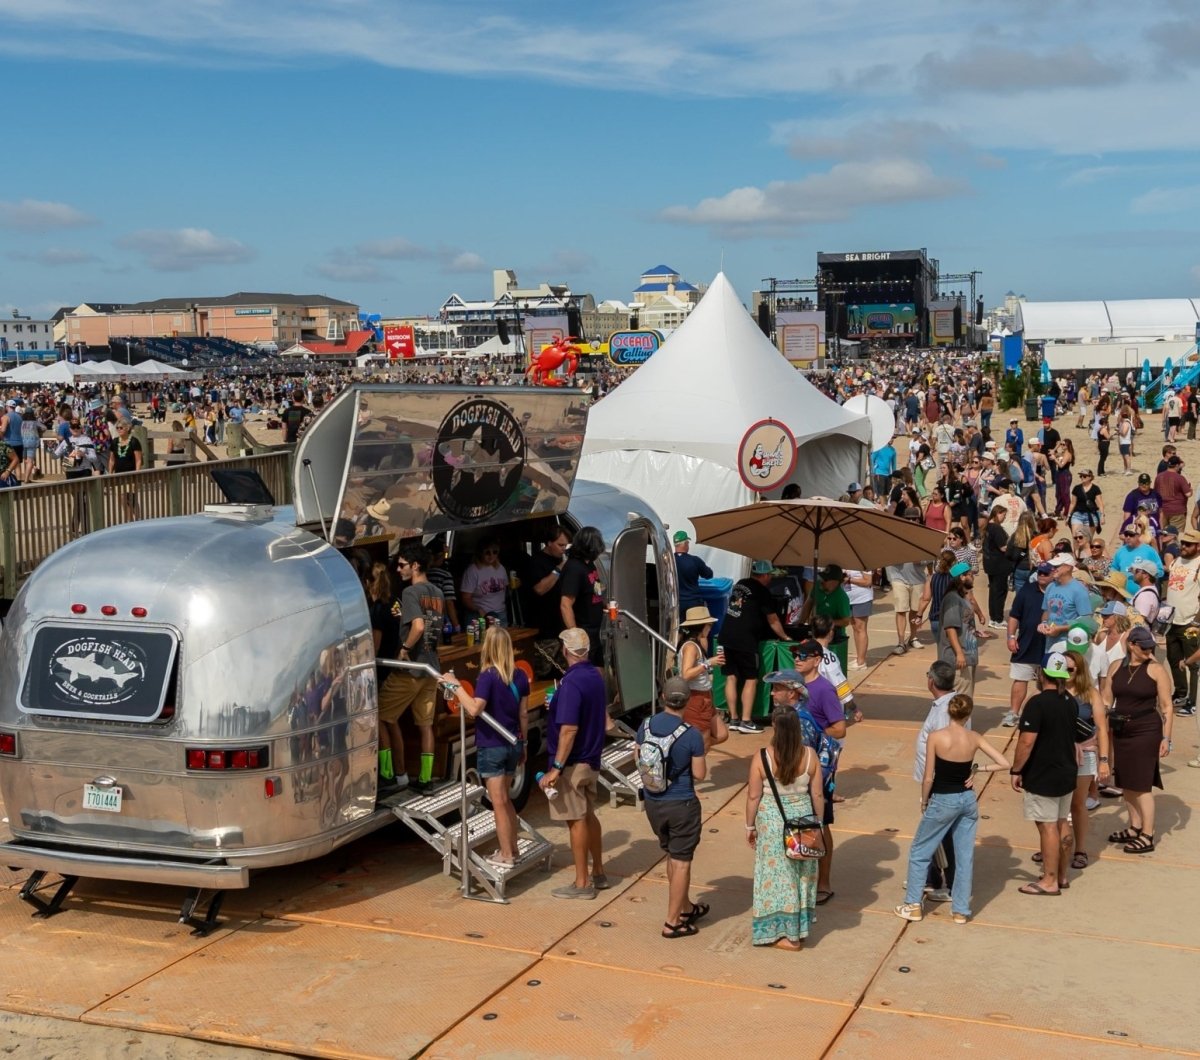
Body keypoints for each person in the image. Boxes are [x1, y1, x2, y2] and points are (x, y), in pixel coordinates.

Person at [896, 692, 1010, 923]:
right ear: (968, 714)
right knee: (964, 856)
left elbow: (929, 776)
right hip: (967, 800)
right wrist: (978, 769)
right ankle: (960, 910)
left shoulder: (937, 737)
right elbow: (1005, 762)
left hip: (942, 799)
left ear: (949, 711)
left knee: (920, 851)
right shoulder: (974, 737)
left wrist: (924, 800)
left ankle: (913, 904)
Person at [442, 626, 529, 867]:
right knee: (506, 800)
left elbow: (474, 709)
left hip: (492, 745)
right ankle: (513, 849)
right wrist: (524, 744)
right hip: (513, 742)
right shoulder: (520, 675)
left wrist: (454, 685)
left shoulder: (487, 677)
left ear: (488, 648)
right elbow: (523, 713)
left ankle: (507, 855)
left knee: (498, 801)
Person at [540, 627, 615, 899]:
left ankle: (582, 883)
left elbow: (569, 730)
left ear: (565, 651)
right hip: (592, 758)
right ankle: (598, 872)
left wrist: (556, 768)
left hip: (573, 762)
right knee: (588, 814)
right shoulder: (594, 675)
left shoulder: (571, 683)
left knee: (575, 820)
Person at [745, 708, 825, 949]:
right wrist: (818, 826)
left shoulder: (762, 757)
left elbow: (753, 796)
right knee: (801, 875)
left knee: (777, 876)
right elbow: (818, 793)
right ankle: (799, 929)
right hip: (802, 821)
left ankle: (785, 935)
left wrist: (749, 825)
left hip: (772, 821)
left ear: (773, 725)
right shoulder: (810, 756)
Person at [637, 676, 709, 938]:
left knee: (671, 854)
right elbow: (700, 774)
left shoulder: (645, 726)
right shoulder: (691, 735)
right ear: (687, 701)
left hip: (654, 803)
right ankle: (672, 922)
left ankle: (685, 907)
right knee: (681, 862)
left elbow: (640, 759)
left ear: (664, 698)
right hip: (682, 804)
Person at [1010, 653, 1082, 895]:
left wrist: (1016, 769)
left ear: (1042, 674)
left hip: (1044, 775)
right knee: (1062, 823)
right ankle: (1061, 875)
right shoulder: (1069, 701)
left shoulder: (1037, 703)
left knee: (1048, 827)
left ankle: (1049, 881)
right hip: (1067, 772)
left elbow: (1026, 742)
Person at [377, 545, 446, 794]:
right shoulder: (438, 592)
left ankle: (388, 775)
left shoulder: (410, 592)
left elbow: (417, 626)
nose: (398, 570)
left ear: (415, 566)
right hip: (431, 667)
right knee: (425, 725)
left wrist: (404, 648)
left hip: (411, 667)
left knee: (378, 716)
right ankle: (425, 779)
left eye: (402, 564)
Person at [1106, 625, 1174, 855]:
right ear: (1131, 645)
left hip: (1146, 729)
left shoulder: (1155, 670)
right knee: (1125, 780)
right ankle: (1134, 826)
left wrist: (1167, 737)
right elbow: (1107, 700)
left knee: (1142, 784)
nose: (1147, 651)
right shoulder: (1116, 667)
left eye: (1150, 647)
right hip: (1121, 729)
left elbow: (1166, 706)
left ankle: (1148, 833)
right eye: (1143, 647)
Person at [720, 560, 788, 734]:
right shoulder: (763, 592)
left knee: (731, 677)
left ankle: (733, 718)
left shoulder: (740, 584)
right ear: (764, 575)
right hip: (745, 639)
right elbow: (773, 620)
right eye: (770, 575)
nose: (771, 578)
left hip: (727, 634)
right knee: (751, 679)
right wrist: (785, 636)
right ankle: (746, 721)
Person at [1003, 561, 1055, 727]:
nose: (1041, 575)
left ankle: (1045, 715)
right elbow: (1014, 615)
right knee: (1020, 679)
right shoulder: (1027, 590)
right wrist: (1011, 636)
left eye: (1045, 573)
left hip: (1050, 645)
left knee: (1048, 682)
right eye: (1040, 572)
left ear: (1053, 575)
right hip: (1026, 643)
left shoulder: (1057, 593)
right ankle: (1013, 713)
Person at [675, 606, 729, 751]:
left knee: (721, 734)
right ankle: (691, 763)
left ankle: (689, 751)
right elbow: (685, 674)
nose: (711, 627)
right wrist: (708, 663)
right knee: (703, 743)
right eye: (709, 624)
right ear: (702, 626)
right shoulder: (691, 646)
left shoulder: (695, 644)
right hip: (696, 699)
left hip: (704, 697)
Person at [528, 524, 571, 676]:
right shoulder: (536, 562)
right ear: (549, 542)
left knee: (565, 672)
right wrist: (558, 569)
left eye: (565, 545)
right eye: (560, 545)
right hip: (544, 629)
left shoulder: (564, 561)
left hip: (562, 627)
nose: (563, 549)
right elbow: (539, 589)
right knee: (543, 672)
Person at [1165, 528, 1200, 715]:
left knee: (1192, 664)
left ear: (1198, 546)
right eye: (1183, 543)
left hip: (1190, 622)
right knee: (1173, 659)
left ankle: (1192, 703)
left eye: (1188, 544)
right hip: (1172, 621)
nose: (1183, 547)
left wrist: (1196, 622)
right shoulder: (1179, 559)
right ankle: (1181, 693)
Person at [559, 526, 606, 666]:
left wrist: (605, 605)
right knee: (586, 669)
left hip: (595, 628)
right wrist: (575, 635)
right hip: (583, 629)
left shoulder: (589, 564)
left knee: (598, 667)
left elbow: (594, 589)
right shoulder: (574, 568)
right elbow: (565, 604)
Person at [937, 561, 979, 696]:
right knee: (960, 701)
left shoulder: (961, 597)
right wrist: (959, 654)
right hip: (957, 660)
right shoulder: (952, 599)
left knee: (966, 699)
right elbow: (950, 628)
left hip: (967, 657)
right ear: (962, 577)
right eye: (970, 574)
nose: (972, 577)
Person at [803, 563, 851, 673]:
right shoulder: (817, 586)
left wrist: (825, 623)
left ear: (835, 582)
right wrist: (800, 623)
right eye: (822, 578)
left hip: (832, 635)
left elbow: (846, 621)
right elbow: (808, 603)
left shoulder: (841, 598)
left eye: (825, 579)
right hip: (815, 631)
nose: (822, 581)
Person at [1038, 555, 1092, 640]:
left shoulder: (1079, 590)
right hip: (1050, 644)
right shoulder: (1050, 587)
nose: (1053, 569)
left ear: (1068, 567)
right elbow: (1046, 611)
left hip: (1069, 644)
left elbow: (1086, 620)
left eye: (1057, 566)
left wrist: (1060, 629)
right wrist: (1044, 623)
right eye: (1053, 566)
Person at [461, 541, 509, 626]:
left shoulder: (501, 568)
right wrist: (478, 609)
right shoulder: (472, 571)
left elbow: (506, 589)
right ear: (480, 553)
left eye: (495, 552)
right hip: (480, 616)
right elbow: (465, 597)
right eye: (487, 552)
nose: (491, 555)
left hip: (500, 614)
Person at [981, 506, 1011, 628]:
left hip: (990, 564)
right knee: (1000, 592)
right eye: (1004, 515)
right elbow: (1003, 547)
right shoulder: (996, 528)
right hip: (999, 565)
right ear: (998, 514)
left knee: (993, 591)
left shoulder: (988, 526)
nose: (1004, 518)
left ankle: (993, 618)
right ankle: (998, 619)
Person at [672, 529, 713, 618]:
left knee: (678, 629)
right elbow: (709, 575)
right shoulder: (695, 560)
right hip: (694, 603)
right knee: (704, 624)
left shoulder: (668, 561)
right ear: (686, 544)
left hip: (675, 604)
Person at [844, 568, 874, 670]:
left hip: (862, 598)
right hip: (847, 598)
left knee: (860, 628)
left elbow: (868, 581)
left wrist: (849, 580)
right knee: (855, 628)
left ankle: (861, 662)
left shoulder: (862, 563)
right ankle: (859, 658)